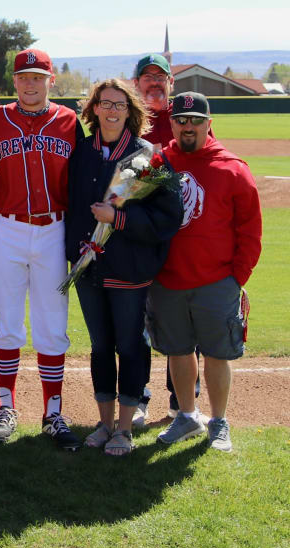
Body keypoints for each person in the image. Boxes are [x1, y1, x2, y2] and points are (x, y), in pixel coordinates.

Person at [66, 79, 183, 456]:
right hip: (89, 267)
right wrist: (75, 251)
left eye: (120, 105)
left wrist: (118, 220)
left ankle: (126, 428)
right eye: (105, 104)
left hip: (129, 268)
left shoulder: (149, 157)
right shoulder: (81, 152)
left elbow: (167, 216)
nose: (112, 110)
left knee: (130, 345)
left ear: (130, 111)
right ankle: (104, 422)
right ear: (94, 109)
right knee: (101, 346)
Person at [151, 92, 262, 453]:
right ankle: (186, 415)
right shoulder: (156, 164)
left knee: (217, 353)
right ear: (171, 123)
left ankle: (219, 421)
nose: (188, 126)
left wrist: (236, 278)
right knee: (178, 351)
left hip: (216, 280)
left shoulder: (232, 168)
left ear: (208, 123)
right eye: (181, 120)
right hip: (168, 279)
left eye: (196, 120)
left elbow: (250, 230)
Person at [0, 49, 85, 450]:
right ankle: (5, 409)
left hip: (53, 230)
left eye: (38, 77)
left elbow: (80, 179)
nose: (30, 84)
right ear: (15, 82)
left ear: (51, 80)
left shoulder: (68, 121)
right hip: (7, 228)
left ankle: (53, 413)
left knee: (52, 324)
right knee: (6, 322)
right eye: (23, 77)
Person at [132, 53, 210, 425]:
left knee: (183, 324)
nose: (154, 83)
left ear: (171, 84)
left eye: (160, 77)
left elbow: (207, 169)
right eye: (146, 78)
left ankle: (182, 405)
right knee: (138, 322)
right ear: (136, 84)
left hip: (181, 239)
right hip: (138, 237)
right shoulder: (127, 122)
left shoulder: (184, 121)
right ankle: (139, 398)